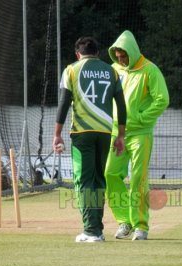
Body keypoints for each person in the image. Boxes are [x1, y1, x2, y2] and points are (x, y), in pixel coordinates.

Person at [53, 37, 126, 242]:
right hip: (105, 133)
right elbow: (121, 105)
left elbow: (64, 103)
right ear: (98, 54)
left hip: (82, 134)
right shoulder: (112, 71)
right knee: (98, 180)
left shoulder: (72, 70)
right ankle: (97, 229)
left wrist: (57, 134)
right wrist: (121, 135)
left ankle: (91, 231)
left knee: (84, 181)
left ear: (78, 54)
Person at [105, 30, 169, 241]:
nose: (121, 60)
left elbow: (162, 99)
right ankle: (125, 221)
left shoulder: (150, 70)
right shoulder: (114, 69)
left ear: (132, 52)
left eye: (124, 56)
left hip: (141, 134)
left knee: (138, 179)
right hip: (116, 133)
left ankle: (141, 226)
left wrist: (142, 118)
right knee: (110, 174)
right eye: (118, 56)